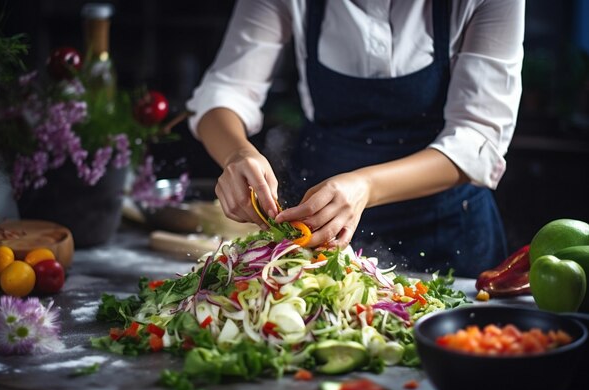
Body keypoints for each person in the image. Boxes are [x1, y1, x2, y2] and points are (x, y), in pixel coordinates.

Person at [185, 0, 524, 278]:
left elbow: (478, 137)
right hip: (321, 230)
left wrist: (367, 186)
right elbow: (224, 92)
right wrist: (236, 154)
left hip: (449, 232)